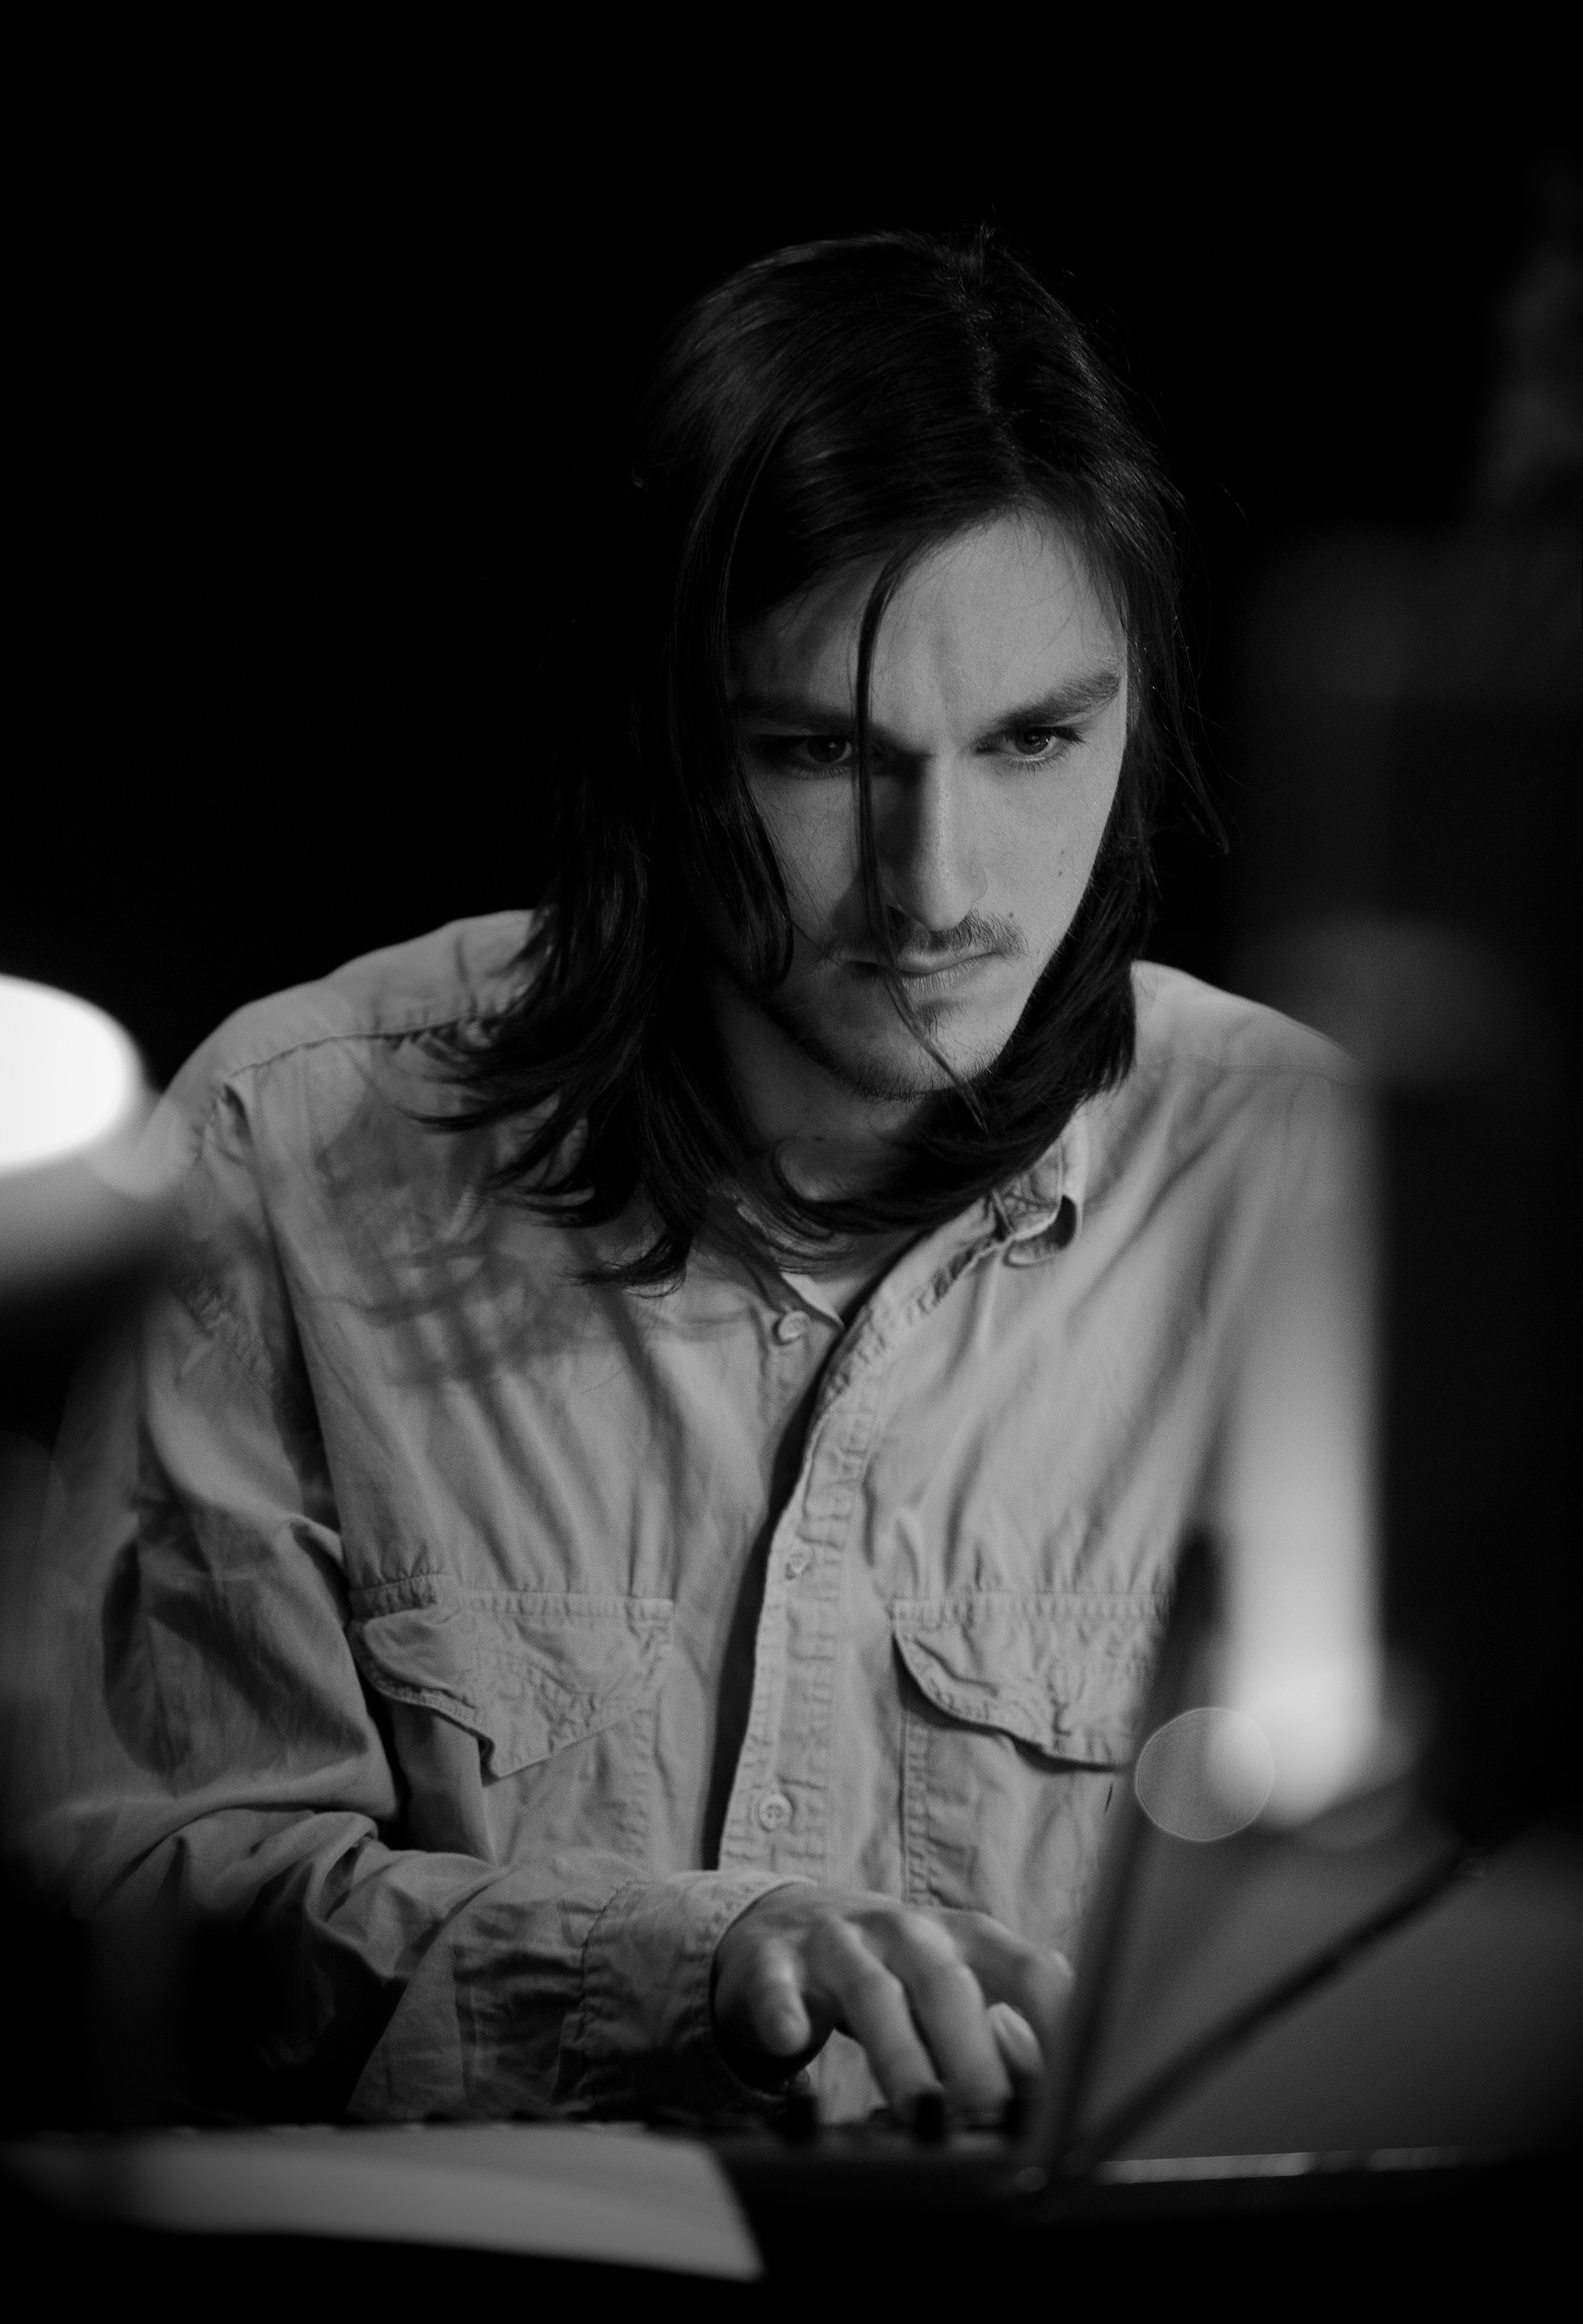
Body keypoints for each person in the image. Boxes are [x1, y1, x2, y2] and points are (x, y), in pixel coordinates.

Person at [15, 229, 1357, 2128]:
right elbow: (144, 1912)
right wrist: (682, 1966)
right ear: (654, 736)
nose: (940, 888)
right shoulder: (290, 1146)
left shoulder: (1320, 1194)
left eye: (1038, 740)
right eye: (819, 754)